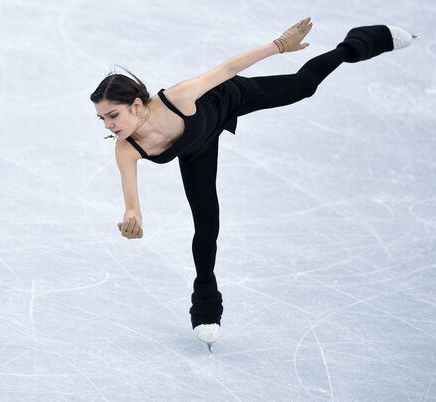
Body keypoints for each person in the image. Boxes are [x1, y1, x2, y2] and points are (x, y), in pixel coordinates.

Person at [90, 19, 418, 350]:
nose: (108, 124)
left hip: (228, 99)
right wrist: (133, 219)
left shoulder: (176, 97)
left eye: (112, 115)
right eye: (102, 118)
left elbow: (227, 68)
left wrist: (278, 46)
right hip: (198, 150)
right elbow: (132, 205)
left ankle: (361, 42)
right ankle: (206, 307)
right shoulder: (126, 149)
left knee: (303, 85)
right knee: (207, 226)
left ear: (135, 105)